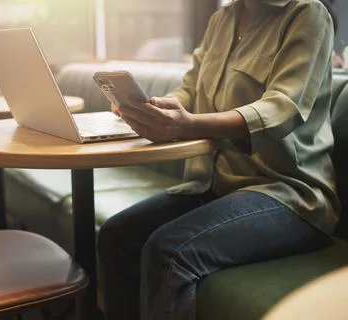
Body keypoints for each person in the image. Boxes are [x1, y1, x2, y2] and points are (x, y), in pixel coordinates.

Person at [98, 0, 340, 320]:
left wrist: (187, 124)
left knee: (169, 251)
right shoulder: (222, 19)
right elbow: (190, 89)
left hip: (289, 194)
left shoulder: (307, 14)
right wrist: (154, 107)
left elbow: (283, 108)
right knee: (117, 235)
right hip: (215, 185)